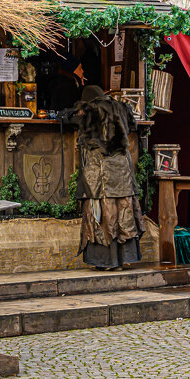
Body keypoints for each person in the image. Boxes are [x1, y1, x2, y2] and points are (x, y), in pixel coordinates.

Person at [62, 86, 146, 270]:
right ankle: (122, 259)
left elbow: (69, 118)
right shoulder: (122, 107)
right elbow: (133, 126)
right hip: (122, 168)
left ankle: (106, 261)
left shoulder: (89, 110)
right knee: (122, 210)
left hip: (100, 171)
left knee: (103, 213)